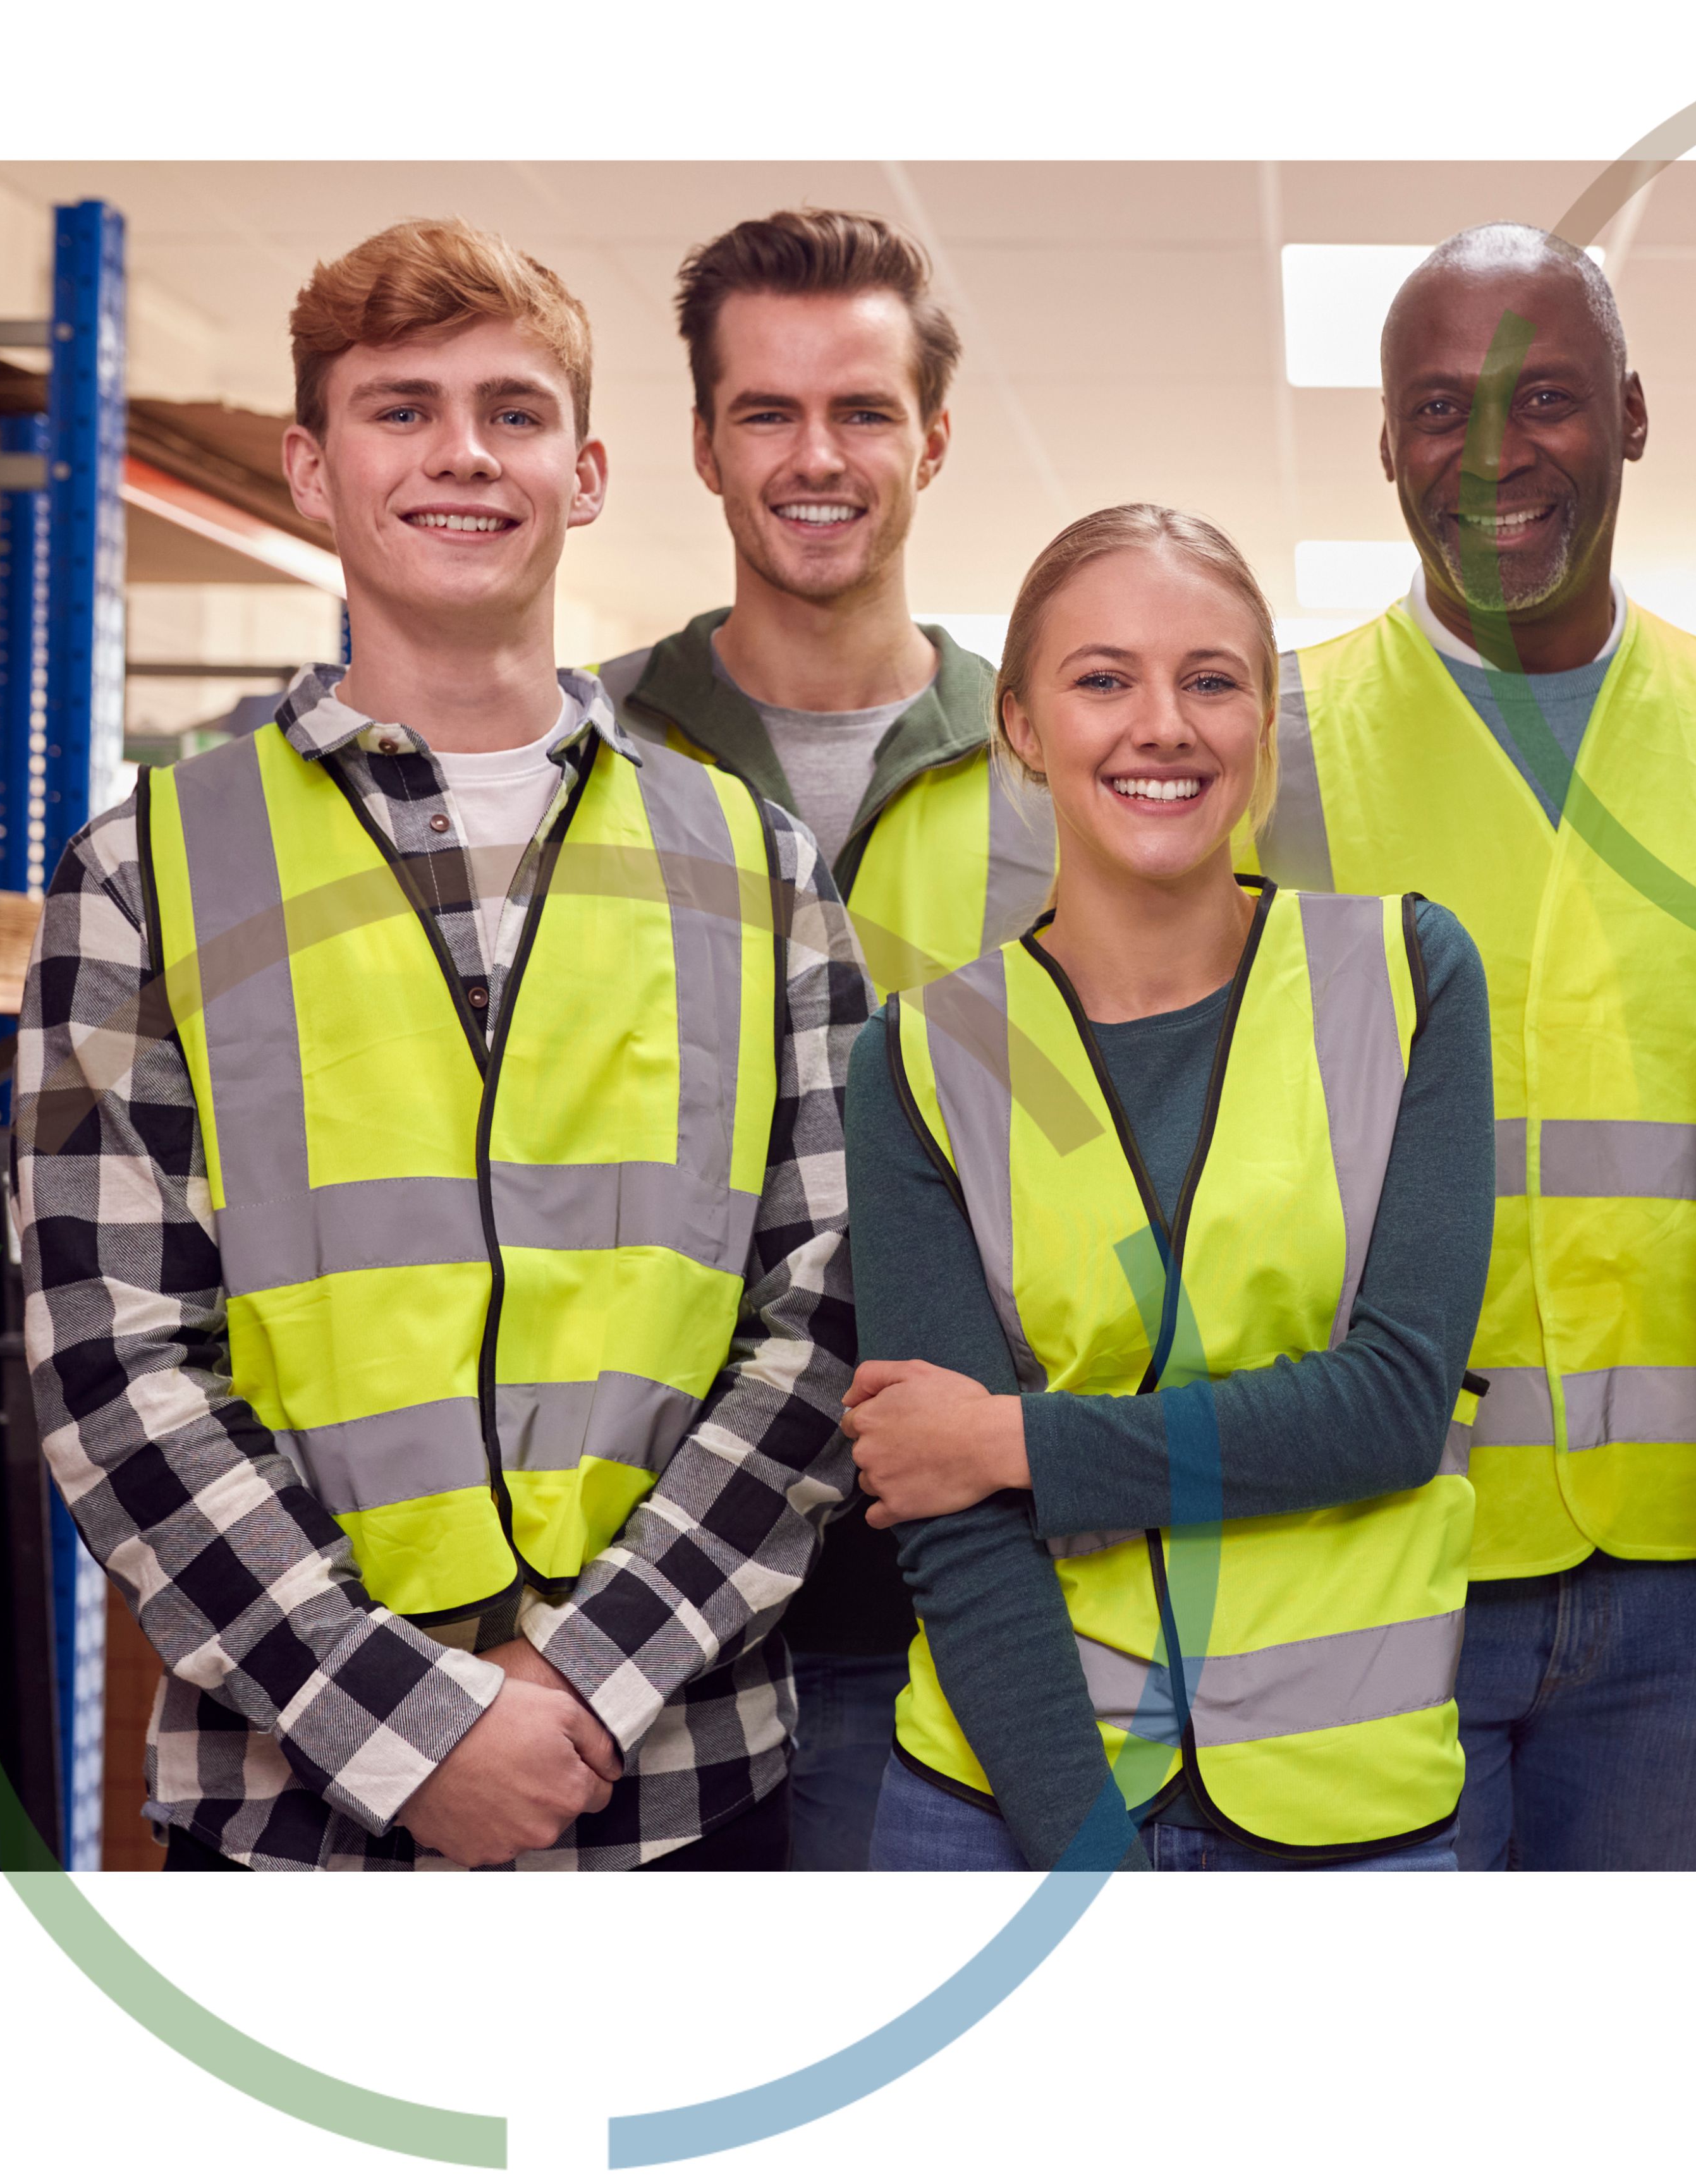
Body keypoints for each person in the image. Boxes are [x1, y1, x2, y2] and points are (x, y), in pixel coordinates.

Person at [11, 218, 870, 1870]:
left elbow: (821, 1312)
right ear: (312, 471)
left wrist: (586, 1678)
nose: (462, 454)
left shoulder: (752, 866)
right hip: (298, 1806)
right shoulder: (149, 870)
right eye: (400, 410)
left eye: (514, 412)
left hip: (681, 1787)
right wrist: (407, 1726)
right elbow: (111, 1366)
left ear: (591, 472)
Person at [1245, 223, 1696, 1869]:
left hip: (1689, 1587)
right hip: (1374, 1562)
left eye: (1549, 400)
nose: (1493, 454)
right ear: (1385, 445)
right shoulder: (1267, 746)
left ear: (1633, 415)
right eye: (1442, 410)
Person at [834, 504, 1493, 1872]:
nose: (1163, 725)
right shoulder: (919, 1057)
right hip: (1002, 1810)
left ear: (1263, 723)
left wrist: (1013, 1443)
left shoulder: (1409, 979)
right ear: (1019, 724)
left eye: (1211, 680)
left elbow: (1389, 1407)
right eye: (1101, 680)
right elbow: (943, 1521)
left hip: (1343, 1808)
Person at [593, 207, 1046, 1871]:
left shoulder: (1063, 769)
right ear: (701, 445)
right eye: (766, 413)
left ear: (931, 438)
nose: (815, 457)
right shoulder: (579, 763)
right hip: (622, 1592)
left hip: (940, 1587)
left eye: (861, 411)